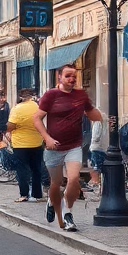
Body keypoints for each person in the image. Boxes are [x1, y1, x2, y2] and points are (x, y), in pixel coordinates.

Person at [34, 65, 101, 232]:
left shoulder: (80, 95)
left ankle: (67, 214)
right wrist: (47, 138)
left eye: (74, 76)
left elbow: (92, 113)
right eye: (68, 76)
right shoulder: (51, 95)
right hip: (54, 147)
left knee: (73, 179)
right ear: (60, 77)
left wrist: (104, 116)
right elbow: (37, 118)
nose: (72, 79)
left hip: (74, 145)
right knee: (56, 183)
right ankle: (52, 201)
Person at [7, 89, 43, 202]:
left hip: (20, 144)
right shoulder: (38, 107)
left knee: (22, 169)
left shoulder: (17, 109)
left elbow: (11, 126)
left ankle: (24, 194)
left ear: (21, 97)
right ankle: (37, 194)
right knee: (36, 169)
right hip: (37, 142)